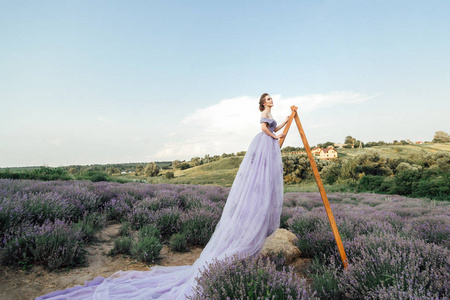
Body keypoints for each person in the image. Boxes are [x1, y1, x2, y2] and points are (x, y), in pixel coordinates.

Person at [38, 93, 288, 300]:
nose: (270, 101)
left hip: (268, 145)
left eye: (271, 99)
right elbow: (266, 128)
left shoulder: (272, 116)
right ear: (262, 103)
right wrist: (275, 135)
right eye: (267, 99)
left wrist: (287, 122)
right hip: (264, 143)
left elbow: (275, 127)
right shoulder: (263, 116)